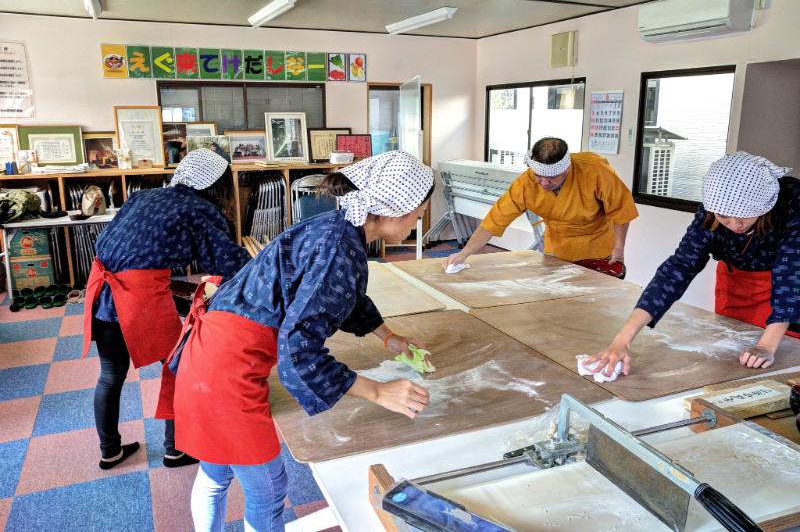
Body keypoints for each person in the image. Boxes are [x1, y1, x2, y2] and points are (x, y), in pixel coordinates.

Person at [155, 150, 434, 531]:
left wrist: (389, 337)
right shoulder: (341, 246)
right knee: (268, 488)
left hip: (208, 348)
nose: (417, 222)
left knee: (216, 470)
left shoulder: (337, 227)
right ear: (394, 209)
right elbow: (298, 351)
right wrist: (378, 392)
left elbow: (336, 293)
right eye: (418, 214)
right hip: (226, 366)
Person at [81, 148, 250, 470]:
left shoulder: (143, 197)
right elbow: (226, 263)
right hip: (138, 297)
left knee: (109, 376)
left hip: (102, 291)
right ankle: (176, 448)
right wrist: (263, 268)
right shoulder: (198, 209)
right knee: (180, 368)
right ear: (217, 184)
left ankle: (110, 450)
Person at [586, 152, 800, 378]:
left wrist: (766, 346)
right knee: (730, 359)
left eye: (744, 217)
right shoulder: (709, 214)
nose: (735, 225)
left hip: (788, 291)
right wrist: (622, 339)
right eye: (725, 218)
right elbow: (677, 270)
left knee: (780, 369)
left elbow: (791, 277)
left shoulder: (792, 205)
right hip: (737, 284)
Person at [443, 137, 639, 269]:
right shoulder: (526, 184)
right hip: (558, 246)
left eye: (552, 177)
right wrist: (465, 253)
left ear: (567, 169)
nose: (544, 182)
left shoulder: (596, 172)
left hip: (598, 247)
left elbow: (622, 211)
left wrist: (619, 248)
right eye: (539, 176)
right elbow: (495, 219)